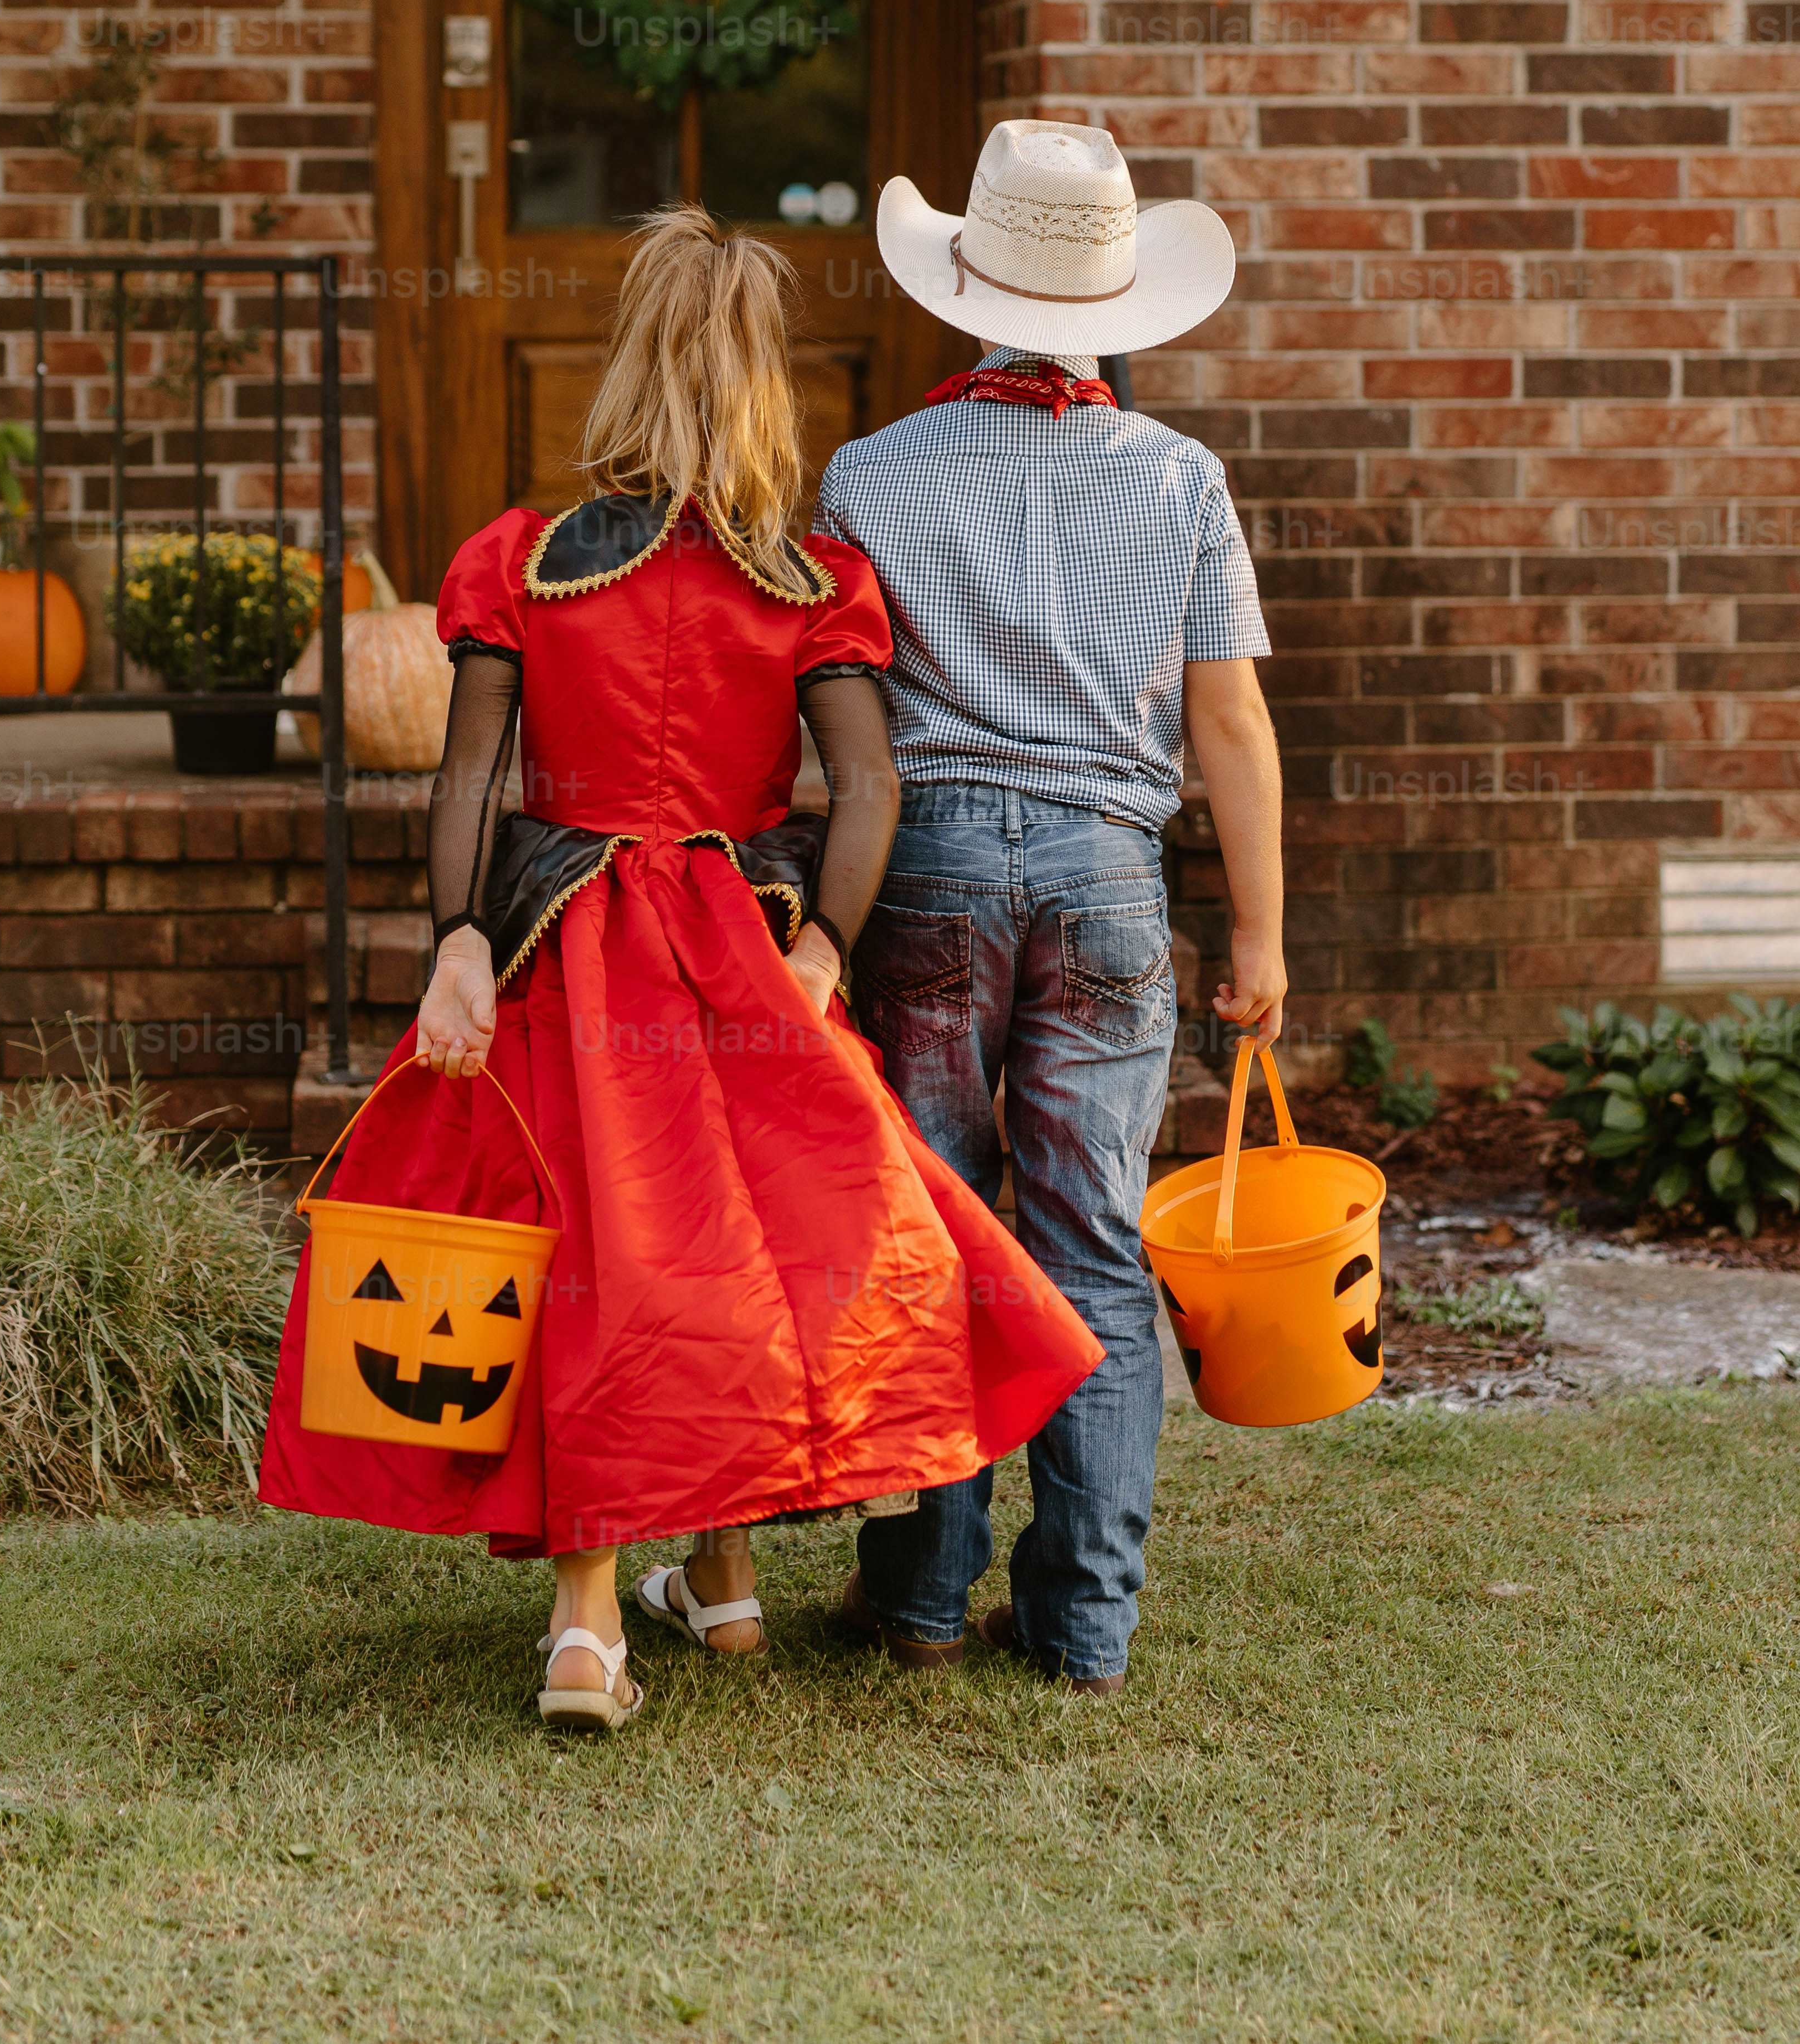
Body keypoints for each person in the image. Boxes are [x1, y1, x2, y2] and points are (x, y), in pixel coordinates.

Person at [257, 206, 1101, 1728]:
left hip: (570, 943)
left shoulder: (523, 560)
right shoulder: (809, 580)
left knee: (594, 1254)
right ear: (766, 381)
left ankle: (590, 1627)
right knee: (746, 1250)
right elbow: (872, 787)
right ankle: (720, 1581)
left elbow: (469, 775)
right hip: (737, 953)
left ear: (624, 359)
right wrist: (827, 946)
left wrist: (458, 932)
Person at [816, 118, 1286, 1696]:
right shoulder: (1180, 479)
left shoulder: (871, 473)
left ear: (970, 285)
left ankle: (922, 1598)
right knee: (1091, 1243)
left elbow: (844, 721)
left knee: (938, 1227)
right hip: (1105, 876)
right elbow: (1229, 724)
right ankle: (1085, 1622)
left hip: (929, 869)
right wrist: (1265, 935)